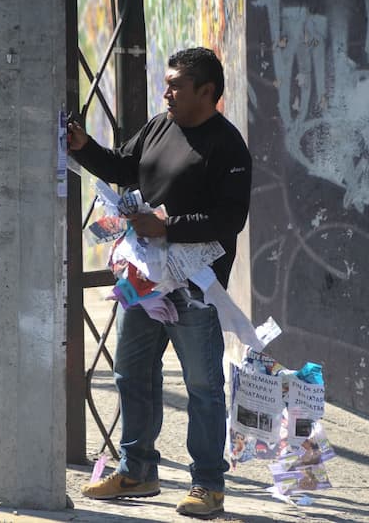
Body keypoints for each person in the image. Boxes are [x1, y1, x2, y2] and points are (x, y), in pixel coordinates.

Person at [68, 47, 252, 517]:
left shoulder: (227, 146)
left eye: (176, 85)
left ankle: (208, 484)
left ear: (207, 92)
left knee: (202, 386)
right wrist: (83, 147)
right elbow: (122, 167)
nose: (166, 92)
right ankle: (138, 471)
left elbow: (229, 219)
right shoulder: (158, 125)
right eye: (167, 84)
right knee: (130, 371)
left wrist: (168, 226)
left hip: (193, 287)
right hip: (140, 281)